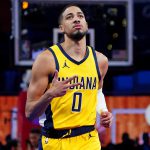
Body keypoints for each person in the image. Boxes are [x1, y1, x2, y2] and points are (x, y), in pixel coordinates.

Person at [25, 4, 113, 150]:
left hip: (88, 140)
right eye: (70, 17)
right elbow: (29, 113)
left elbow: (97, 92)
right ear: (61, 28)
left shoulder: (101, 61)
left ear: (86, 24)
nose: (76, 19)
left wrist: (103, 111)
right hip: (55, 141)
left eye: (80, 16)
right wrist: (50, 94)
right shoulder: (47, 60)